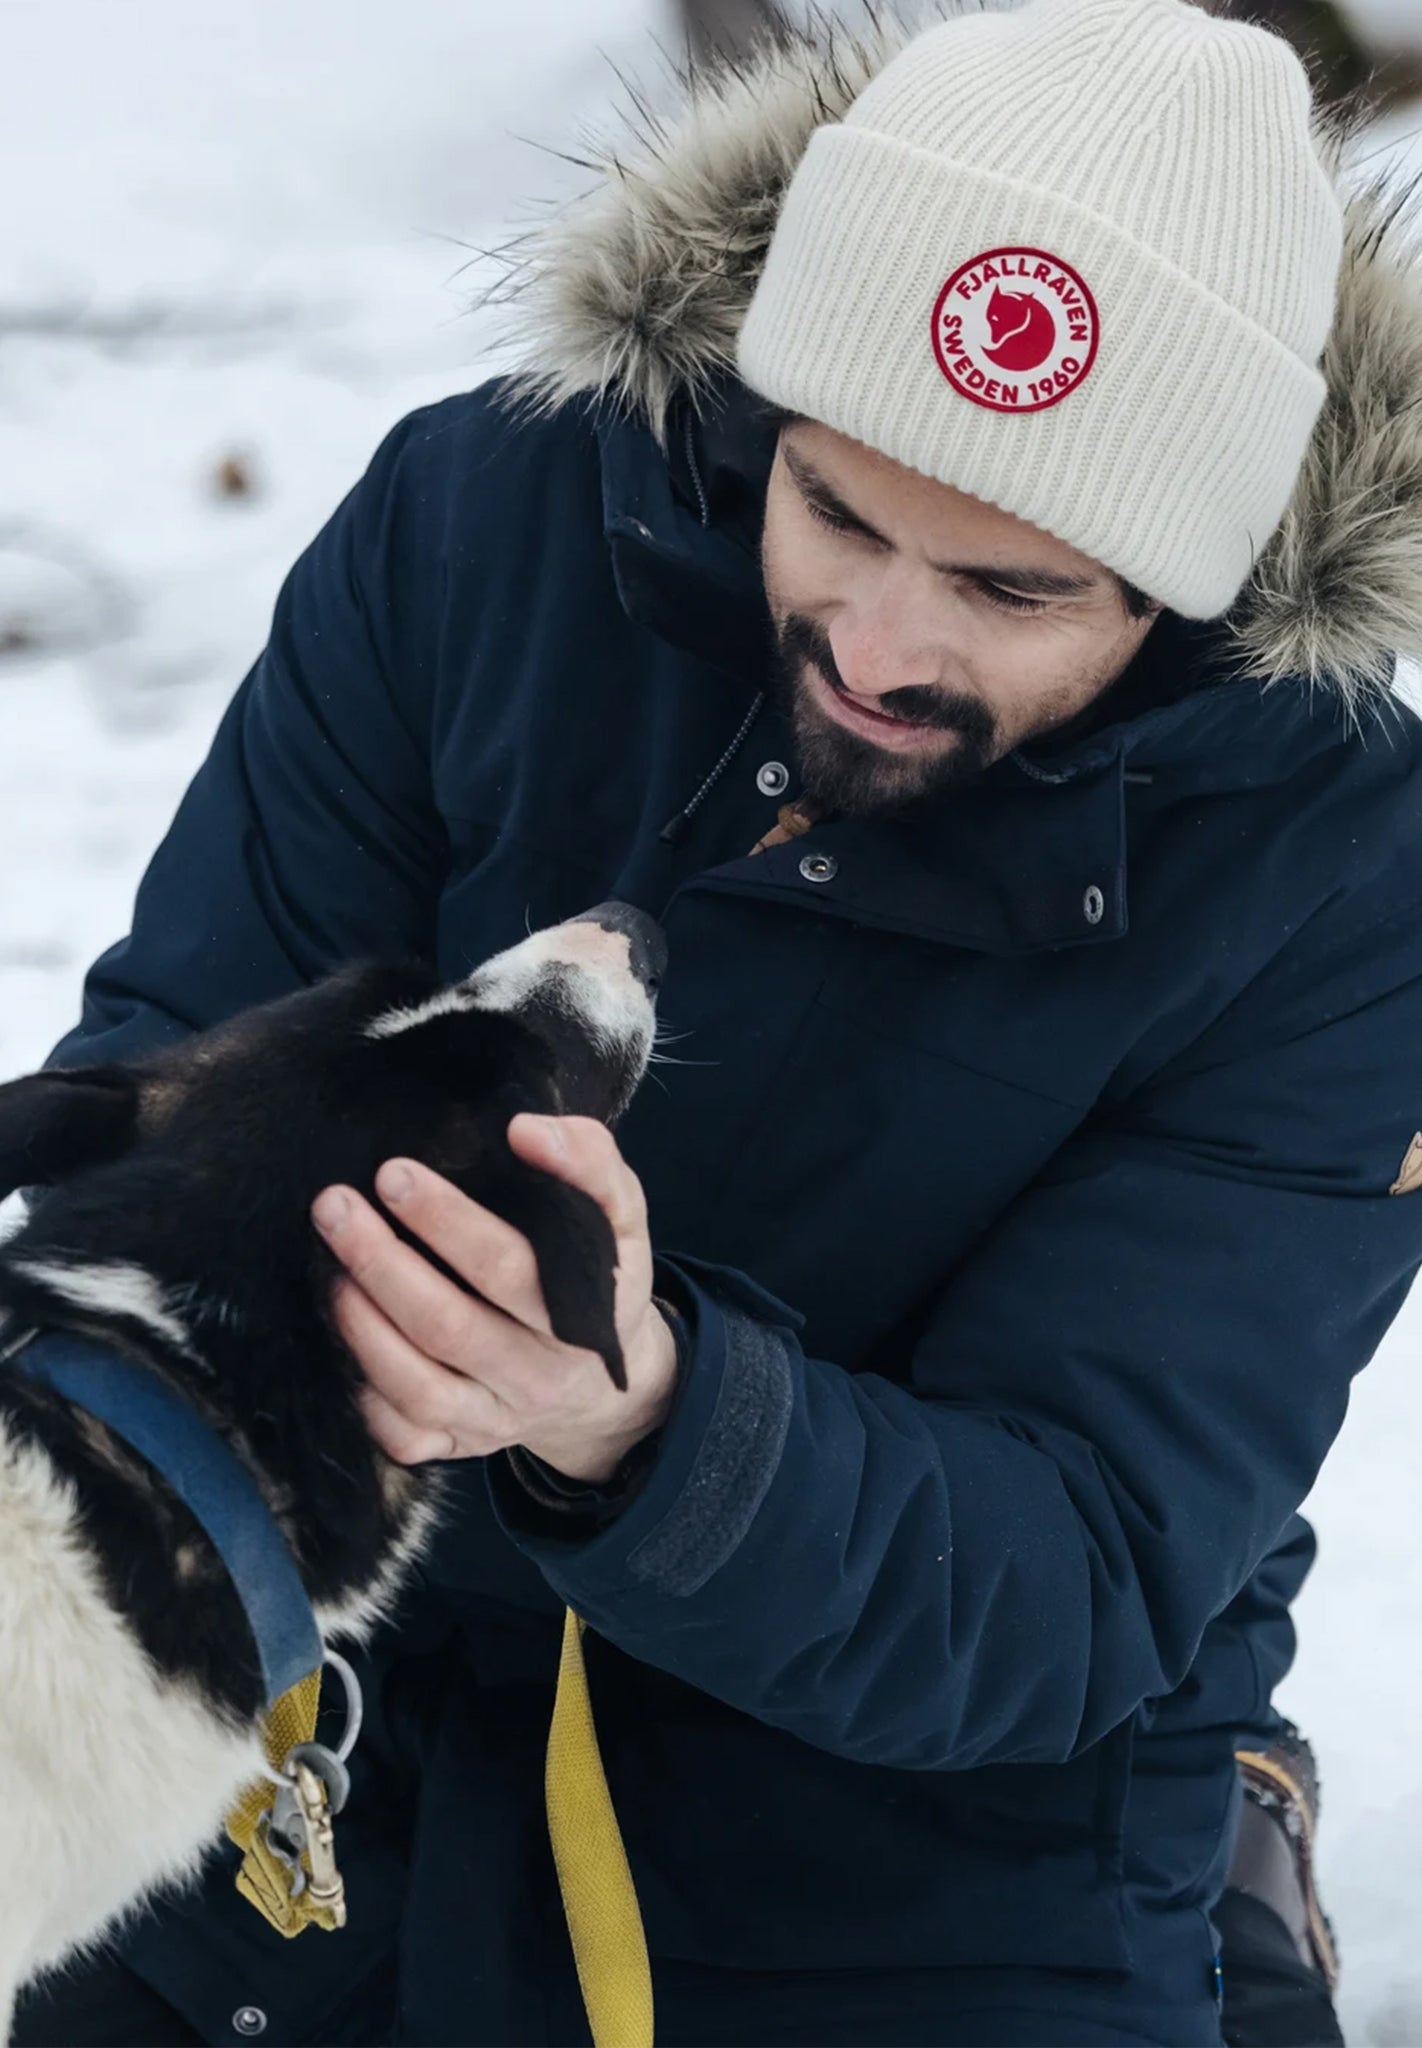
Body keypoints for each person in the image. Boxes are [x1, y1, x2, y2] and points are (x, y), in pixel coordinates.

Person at [13, 0, 1422, 2041]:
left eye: (1014, 589)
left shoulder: (1340, 872)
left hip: (932, 1807)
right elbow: (173, 1093)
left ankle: (1238, 1880)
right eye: (837, 511)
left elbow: (1082, 1563)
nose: (881, 641)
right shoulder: (485, 527)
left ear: (1186, 592)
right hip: (331, 1693)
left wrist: (648, 1429)